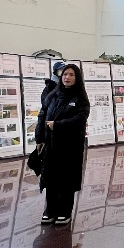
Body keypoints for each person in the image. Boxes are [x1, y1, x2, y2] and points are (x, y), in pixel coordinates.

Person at [36, 63, 91, 227]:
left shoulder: (80, 98)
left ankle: (65, 212)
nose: (67, 77)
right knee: (51, 178)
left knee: (67, 179)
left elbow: (80, 119)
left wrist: (58, 125)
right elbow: (42, 115)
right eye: (65, 74)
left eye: (71, 75)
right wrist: (39, 138)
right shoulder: (53, 95)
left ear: (77, 78)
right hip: (51, 145)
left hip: (70, 147)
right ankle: (50, 210)